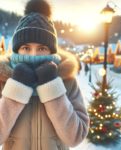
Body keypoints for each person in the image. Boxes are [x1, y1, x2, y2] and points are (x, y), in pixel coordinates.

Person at [0, 0, 89, 149]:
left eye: (41, 48)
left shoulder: (67, 81)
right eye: (26, 47)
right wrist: (16, 89)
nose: (33, 54)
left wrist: (52, 87)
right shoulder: (3, 80)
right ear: (17, 50)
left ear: (51, 50)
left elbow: (75, 137)